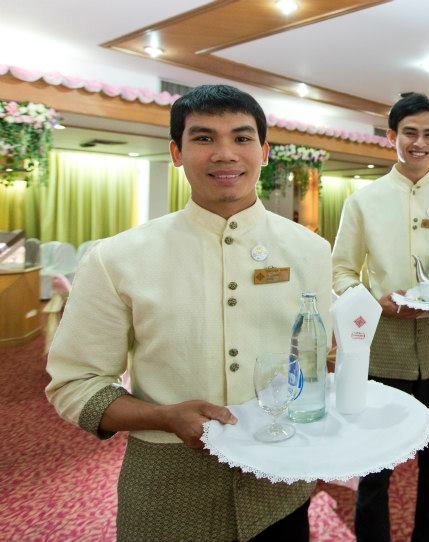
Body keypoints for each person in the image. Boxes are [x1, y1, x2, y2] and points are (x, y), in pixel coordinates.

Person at [45, 84, 332, 542]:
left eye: (241, 138)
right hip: (166, 492)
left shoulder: (311, 251)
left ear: (264, 152)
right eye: (203, 138)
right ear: (176, 153)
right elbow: (75, 384)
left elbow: (318, 361)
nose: (225, 153)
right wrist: (163, 417)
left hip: (280, 483)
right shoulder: (117, 258)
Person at [331, 92, 429, 541]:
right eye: (410, 133)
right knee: (375, 467)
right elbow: (340, 271)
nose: (420, 143)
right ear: (391, 136)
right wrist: (372, 303)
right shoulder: (364, 201)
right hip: (383, 350)